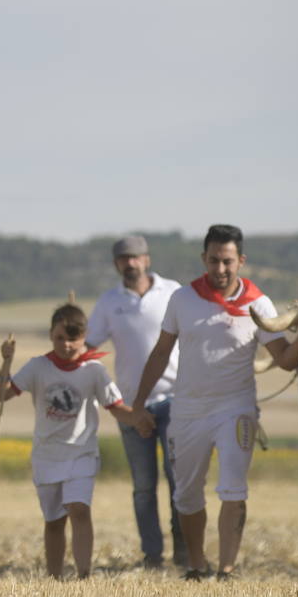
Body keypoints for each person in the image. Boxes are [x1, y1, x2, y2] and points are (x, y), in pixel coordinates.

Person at [127, 224, 298, 580]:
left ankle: (226, 568)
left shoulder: (259, 303)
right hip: (188, 409)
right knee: (187, 496)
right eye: (213, 261)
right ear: (203, 259)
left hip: (236, 407)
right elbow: (161, 352)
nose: (220, 270)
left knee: (233, 488)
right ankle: (196, 564)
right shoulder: (182, 299)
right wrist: (137, 406)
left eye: (227, 262)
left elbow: (285, 358)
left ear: (241, 260)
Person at [0, 299, 135, 579]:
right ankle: (54, 577)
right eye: (60, 338)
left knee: (79, 510)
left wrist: (141, 419)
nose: (67, 345)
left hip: (82, 453)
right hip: (47, 455)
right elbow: (3, 394)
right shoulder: (38, 367)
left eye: (73, 339)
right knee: (54, 521)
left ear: (84, 338)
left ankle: (84, 575)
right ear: (51, 335)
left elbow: (116, 407)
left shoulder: (94, 370)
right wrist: (6, 362)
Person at [85, 235, 185, 569]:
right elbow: (89, 346)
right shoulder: (108, 302)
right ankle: (153, 555)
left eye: (136, 258)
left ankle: (184, 552)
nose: (130, 264)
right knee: (143, 486)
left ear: (147, 259)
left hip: (175, 399)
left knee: (178, 480)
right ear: (116, 264)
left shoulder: (173, 292)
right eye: (124, 259)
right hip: (131, 408)